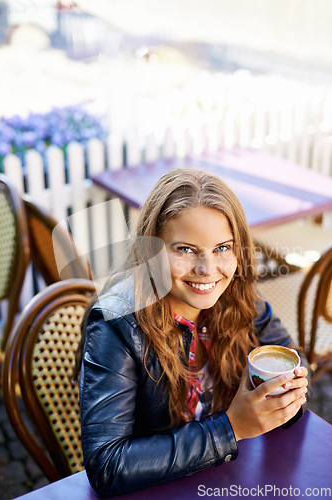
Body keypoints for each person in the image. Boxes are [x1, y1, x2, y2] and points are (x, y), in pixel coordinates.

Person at [77, 168, 310, 498]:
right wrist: (232, 428)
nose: (207, 269)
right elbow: (107, 465)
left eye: (222, 247)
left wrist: (288, 399)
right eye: (185, 249)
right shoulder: (116, 325)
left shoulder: (238, 297)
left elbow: (295, 359)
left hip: (228, 479)